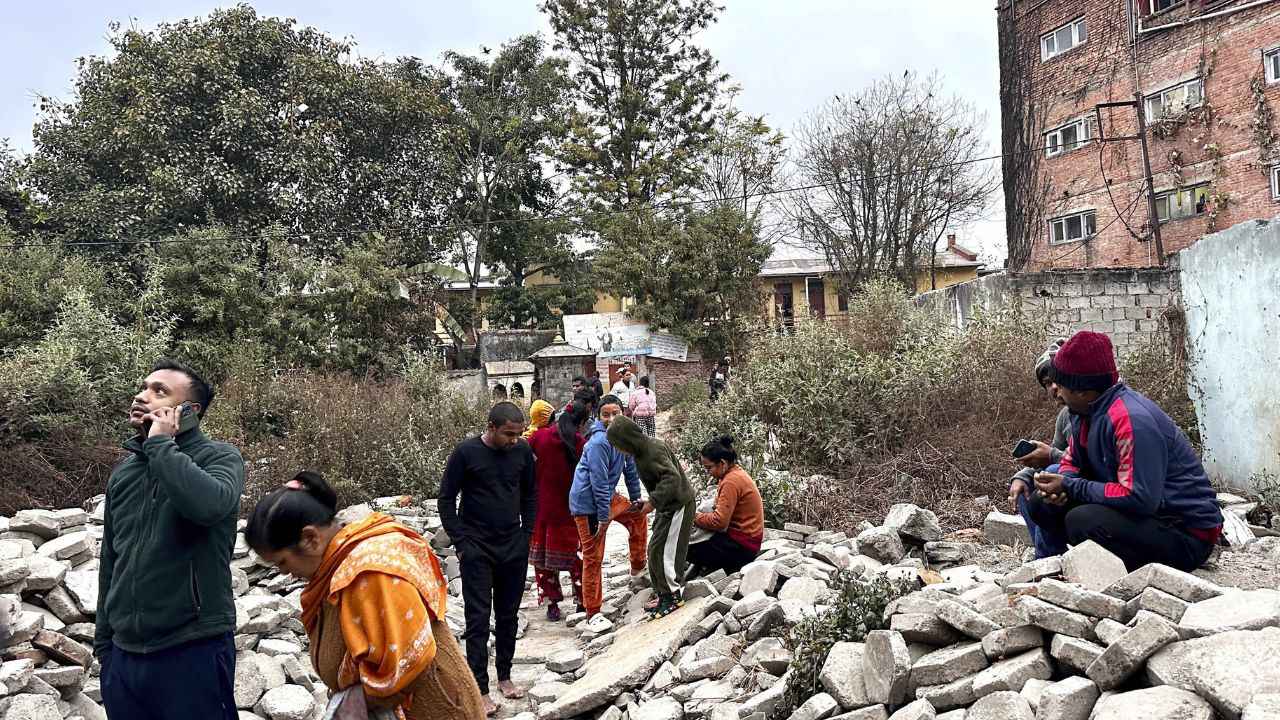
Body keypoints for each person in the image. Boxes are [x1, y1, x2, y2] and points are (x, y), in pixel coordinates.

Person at [245, 472, 485, 720]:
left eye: (283, 562)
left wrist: (350, 702)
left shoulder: (369, 573)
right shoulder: (335, 568)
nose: (287, 574)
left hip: (435, 710)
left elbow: (405, 663)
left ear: (310, 538)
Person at [96, 359, 244, 719]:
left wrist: (161, 446)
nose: (142, 395)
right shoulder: (125, 474)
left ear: (189, 410)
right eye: (144, 386)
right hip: (125, 658)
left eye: (159, 391)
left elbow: (208, 506)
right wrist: (105, 646)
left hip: (192, 648)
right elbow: (111, 560)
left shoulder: (220, 458)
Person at [1020, 331, 1223, 572]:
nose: (1057, 393)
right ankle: (1055, 568)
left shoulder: (1130, 419)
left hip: (1185, 532)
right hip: (1147, 516)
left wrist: (1070, 486)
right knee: (1042, 504)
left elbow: (1139, 498)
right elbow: (1072, 461)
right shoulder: (1083, 414)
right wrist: (1061, 487)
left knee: (1082, 521)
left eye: (1061, 386)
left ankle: (1118, 577)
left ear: (1082, 390)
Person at [438, 402, 536, 715]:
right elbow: (445, 499)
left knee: (508, 615)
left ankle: (504, 676)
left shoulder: (521, 453)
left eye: (518, 434)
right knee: (478, 620)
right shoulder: (466, 454)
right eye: (508, 433)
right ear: (491, 427)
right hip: (476, 548)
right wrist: (461, 541)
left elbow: (531, 494)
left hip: (513, 546)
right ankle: (478, 688)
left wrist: (526, 535)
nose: (514, 440)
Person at [607, 415, 696, 619]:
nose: (619, 450)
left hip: (679, 505)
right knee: (654, 549)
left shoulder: (652, 449)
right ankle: (663, 593)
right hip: (668, 506)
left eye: (619, 445)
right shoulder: (640, 453)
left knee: (666, 552)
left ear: (627, 440)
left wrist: (652, 502)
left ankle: (673, 595)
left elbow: (671, 478)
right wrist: (646, 501)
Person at [568, 395, 649, 619]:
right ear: (598, 416)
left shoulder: (624, 438)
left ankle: (638, 568)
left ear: (624, 414)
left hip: (607, 496)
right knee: (593, 555)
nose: (611, 419)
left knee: (638, 516)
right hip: (587, 504)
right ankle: (592, 611)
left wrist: (636, 499)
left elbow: (630, 471)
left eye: (616, 413)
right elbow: (599, 483)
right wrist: (603, 518)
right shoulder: (598, 443)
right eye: (606, 414)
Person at [527, 402, 591, 621]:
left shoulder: (538, 438)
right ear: (581, 423)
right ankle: (582, 600)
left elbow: (524, 466)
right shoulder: (580, 443)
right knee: (577, 558)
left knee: (544, 562)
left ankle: (552, 604)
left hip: (542, 509)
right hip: (572, 511)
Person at [1008, 339, 1072, 559]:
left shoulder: (1099, 412)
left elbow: (1092, 463)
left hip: (1097, 491)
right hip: (1074, 485)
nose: (1053, 387)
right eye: (1047, 383)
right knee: (1026, 488)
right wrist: (1021, 476)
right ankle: (1049, 559)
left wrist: (1051, 457)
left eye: (1057, 379)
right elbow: (1058, 452)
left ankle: (1046, 564)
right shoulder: (1066, 417)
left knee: (1050, 474)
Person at [686, 436, 765, 579]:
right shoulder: (734, 473)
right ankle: (699, 569)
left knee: (683, 547)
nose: (707, 472)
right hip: (746, 541)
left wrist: (692, 516)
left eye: (709, 467)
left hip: (742, 549)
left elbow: (719, 522)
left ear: (722, 463)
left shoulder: (731, 481)